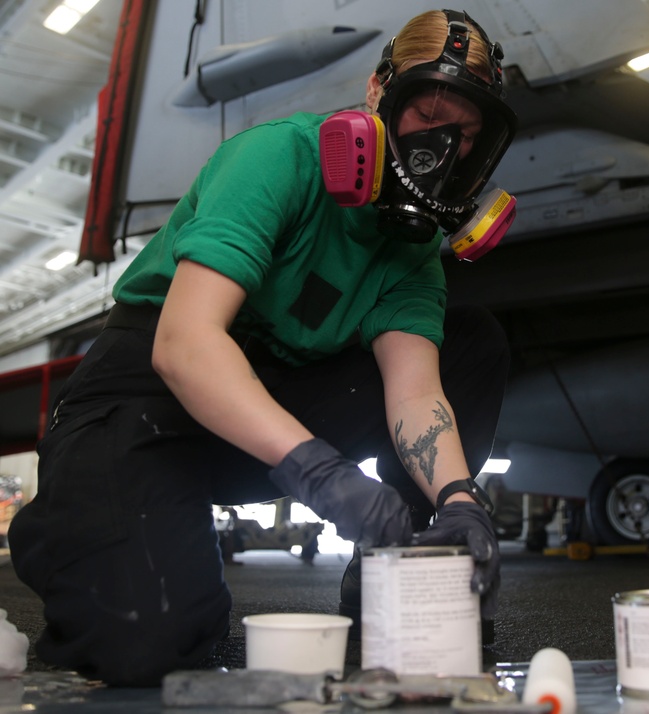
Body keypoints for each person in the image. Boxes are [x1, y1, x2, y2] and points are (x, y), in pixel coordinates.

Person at [7, 9, 517, 687]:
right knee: (146, 646)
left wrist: (459, 501)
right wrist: (322, 474)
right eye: (426, 115)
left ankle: (399, 587)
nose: (440, 146)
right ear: (377, 93)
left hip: (265, 416)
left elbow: (418, 392)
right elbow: (184, 345)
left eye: (463, 132)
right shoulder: (279, 156)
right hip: (147, 403)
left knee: (472, 342)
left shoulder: (414, 250)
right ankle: (75, 521)